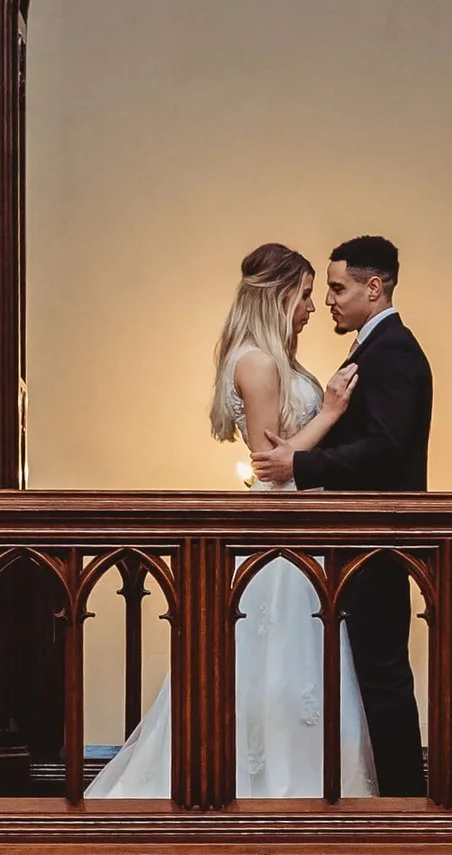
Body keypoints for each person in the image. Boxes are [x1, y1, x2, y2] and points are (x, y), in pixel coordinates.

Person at [85, 242, 376, 798]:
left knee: (296, 666)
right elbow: (275, 464)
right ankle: (271, 786)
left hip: (302, 526)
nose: (312, 309)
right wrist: (334, 412)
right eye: (306, 295)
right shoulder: (258, 362)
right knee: (276, 663)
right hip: (279, 529)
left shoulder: (273, 359)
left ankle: (303, 781)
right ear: (280, 293)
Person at [254, 235, 432, 797]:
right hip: (360, 536)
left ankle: (404, 800)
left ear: (373, 287)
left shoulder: (394, 351)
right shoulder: (372, 347)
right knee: (373, 673)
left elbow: (386, 447)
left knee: (382, 674)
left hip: (379, 537)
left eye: (338, 287)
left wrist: (301, 465)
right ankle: (391, 792)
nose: (328, 300)